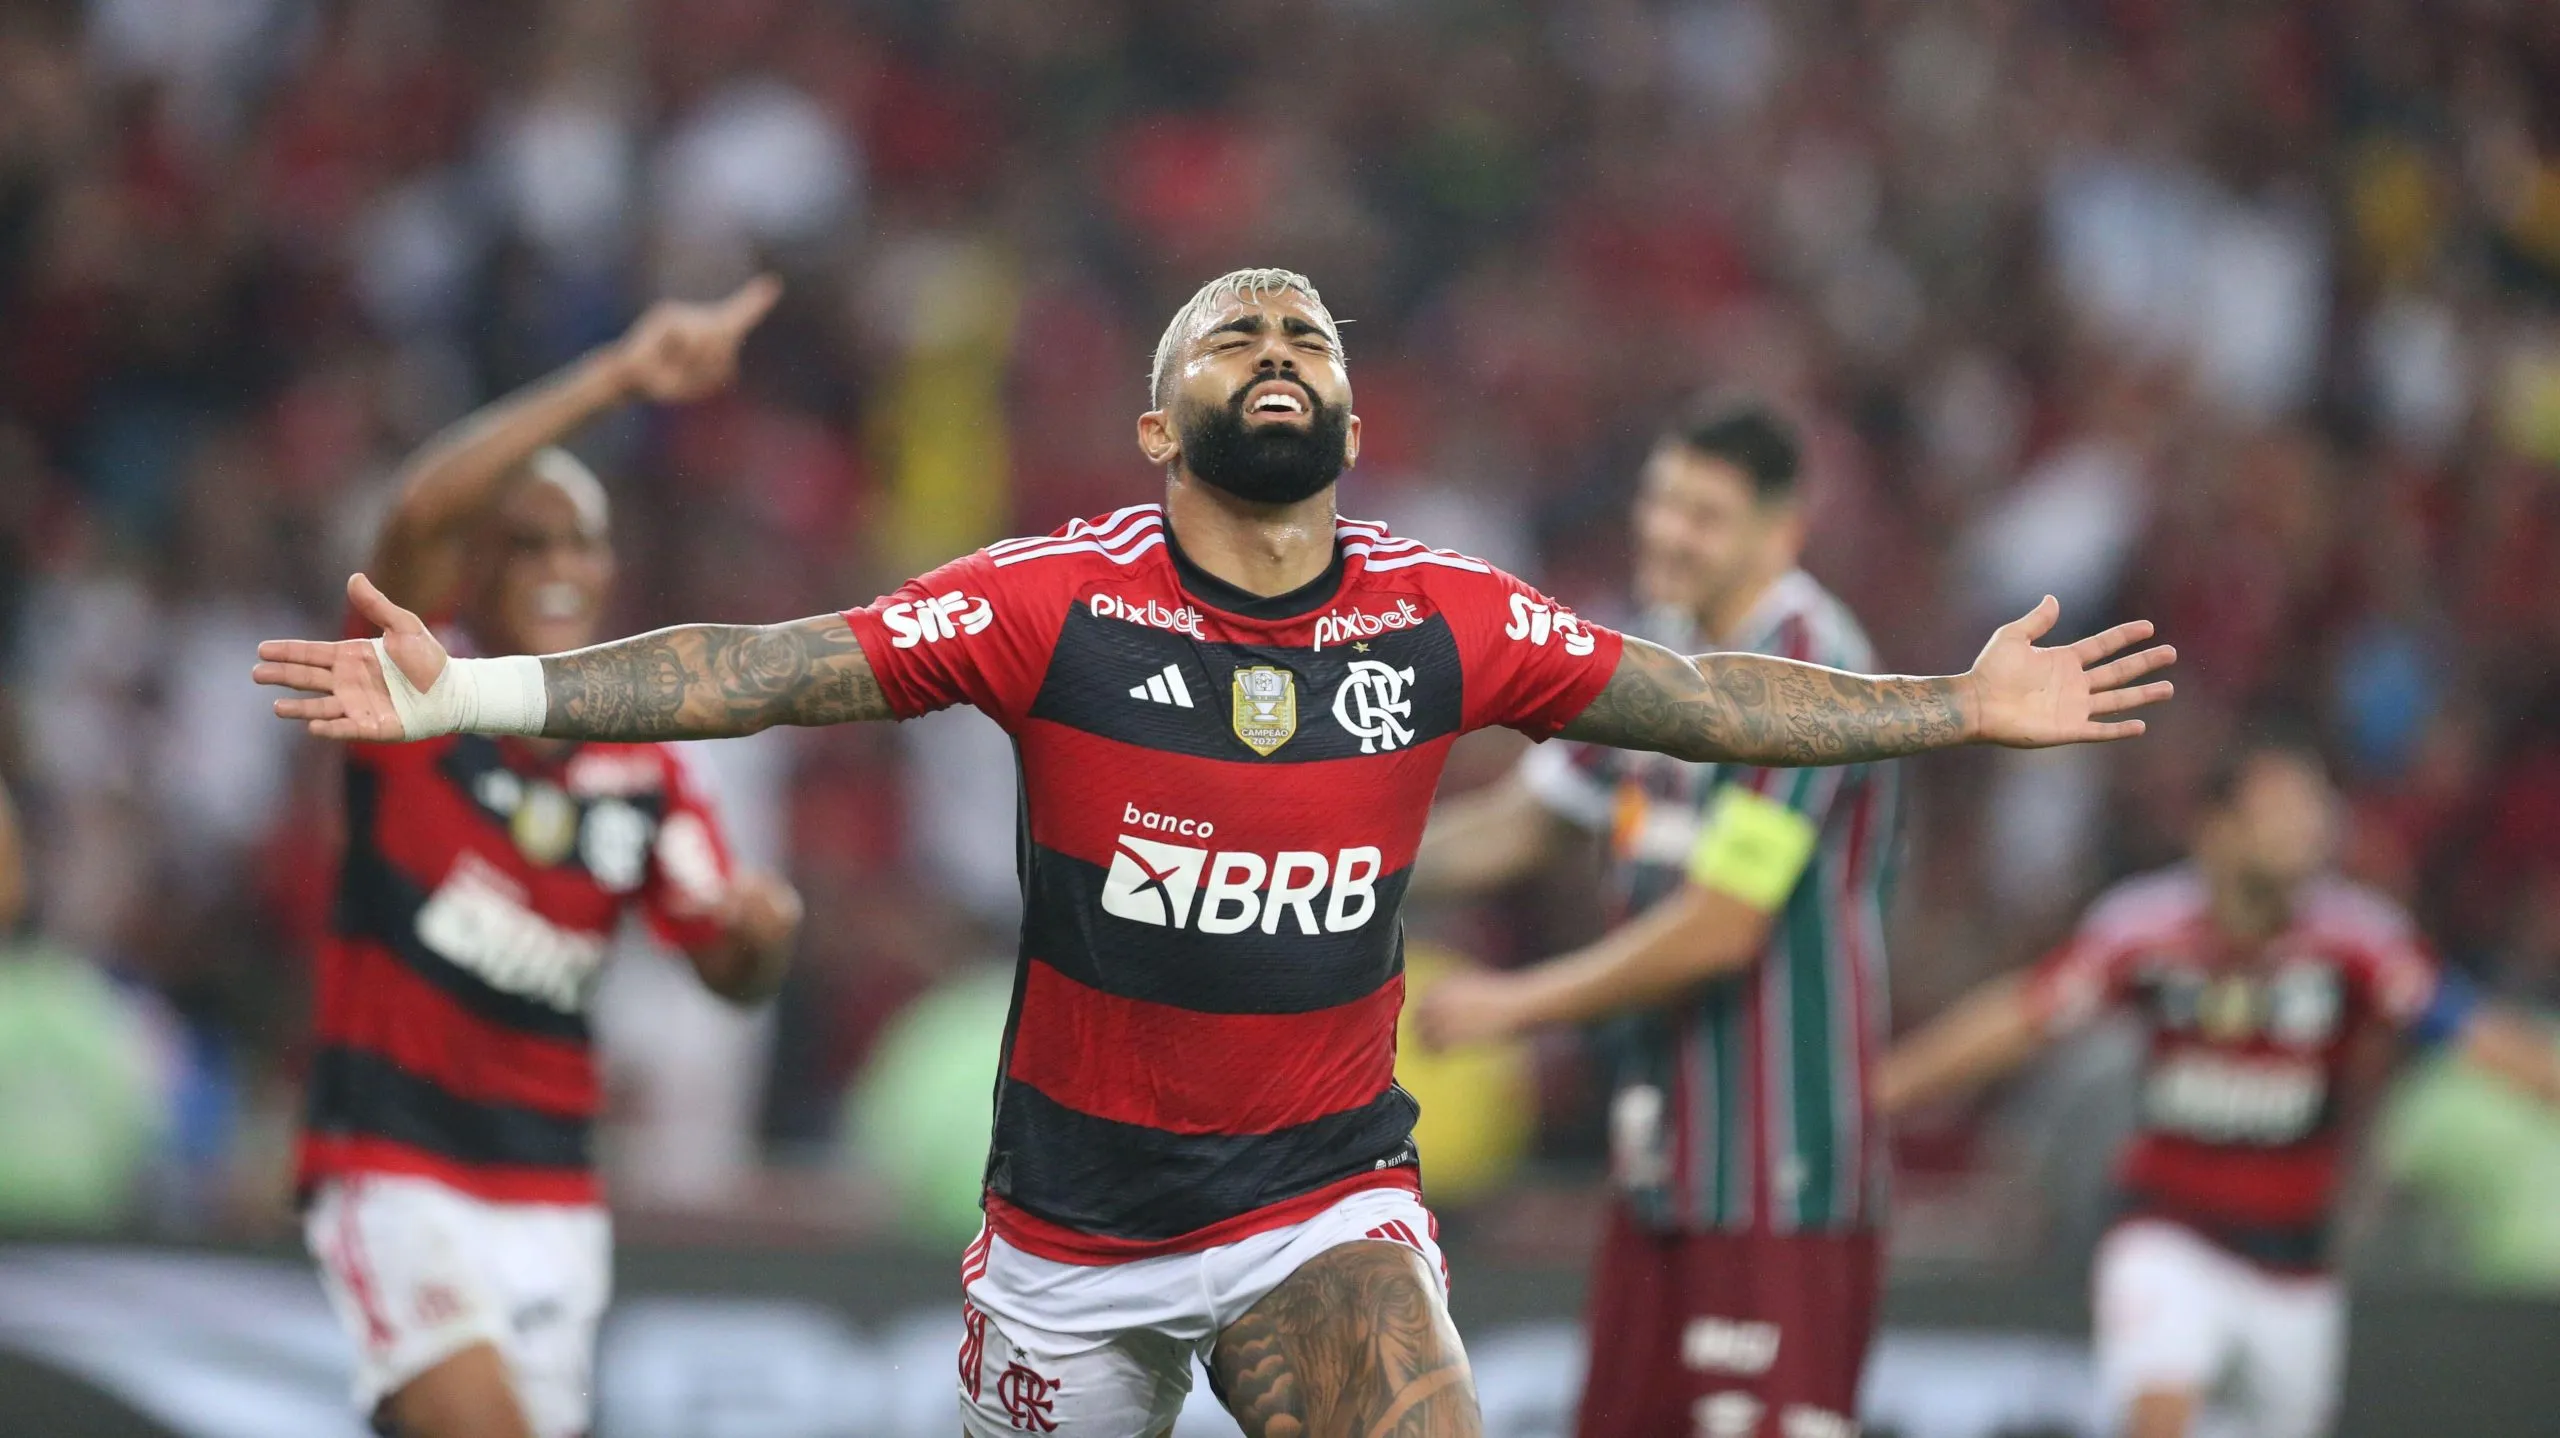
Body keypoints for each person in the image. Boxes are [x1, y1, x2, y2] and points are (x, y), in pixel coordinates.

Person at [254, 267, 2174, 1438]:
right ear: (1157, 413)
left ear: (1346, 409)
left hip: (1318, 1193)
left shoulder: (1441, 615)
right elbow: (765, 668)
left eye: (1309, 331)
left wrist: (1957, 702)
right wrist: (464, 692)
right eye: (1234, 328)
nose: (1279, 341)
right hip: (1068, 1234)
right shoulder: (1052, 601)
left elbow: (1707, 697)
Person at [291, 278, 805, 1438]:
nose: (563, 563)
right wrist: (619, 376)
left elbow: (724, 968)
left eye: (584, 539)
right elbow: (420, 512)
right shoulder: (413, 703)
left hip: (553, 1188)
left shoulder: (651, 766)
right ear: (479, 571)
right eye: (528, 541)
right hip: (395, 1164)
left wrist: (759, 937)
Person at [1408, 400, 1894, 1438]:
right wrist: (1339, 853)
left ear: (1780, 532)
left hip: (1778, 1165)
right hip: (1663, 1157)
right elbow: (1523, 824)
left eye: (1704, 516)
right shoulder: (1656, 652)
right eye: (1662, 502)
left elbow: (1724, 924)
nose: (1668, 532)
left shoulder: (1811, 672)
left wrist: (1517, 1004)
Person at [1877, 738, 2560, 1438]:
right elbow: (2022, 1017)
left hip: (2295, 1263)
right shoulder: (2144, 928)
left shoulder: (2359, 940)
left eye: (2313, 809)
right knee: (2160, 1413)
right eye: (2282, 809)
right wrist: (1884, 1090)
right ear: (2218, 827)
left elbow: (2479, 1035)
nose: (2308, 828)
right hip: (2171, 1231)